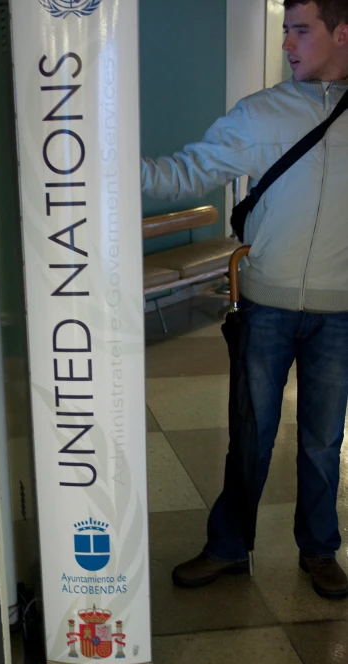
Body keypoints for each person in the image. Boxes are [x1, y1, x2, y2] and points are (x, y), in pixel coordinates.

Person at [142, 0, 348, 599]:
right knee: (250, 436)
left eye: (300, 30)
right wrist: (107, 170)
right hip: (266, 308)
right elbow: (188, 172)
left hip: (339, 314)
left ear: (341, 32)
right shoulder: (261, 114)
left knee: (322, 440)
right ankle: (228, 546)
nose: (288, 43)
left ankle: (319, 550)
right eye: (284, 30)